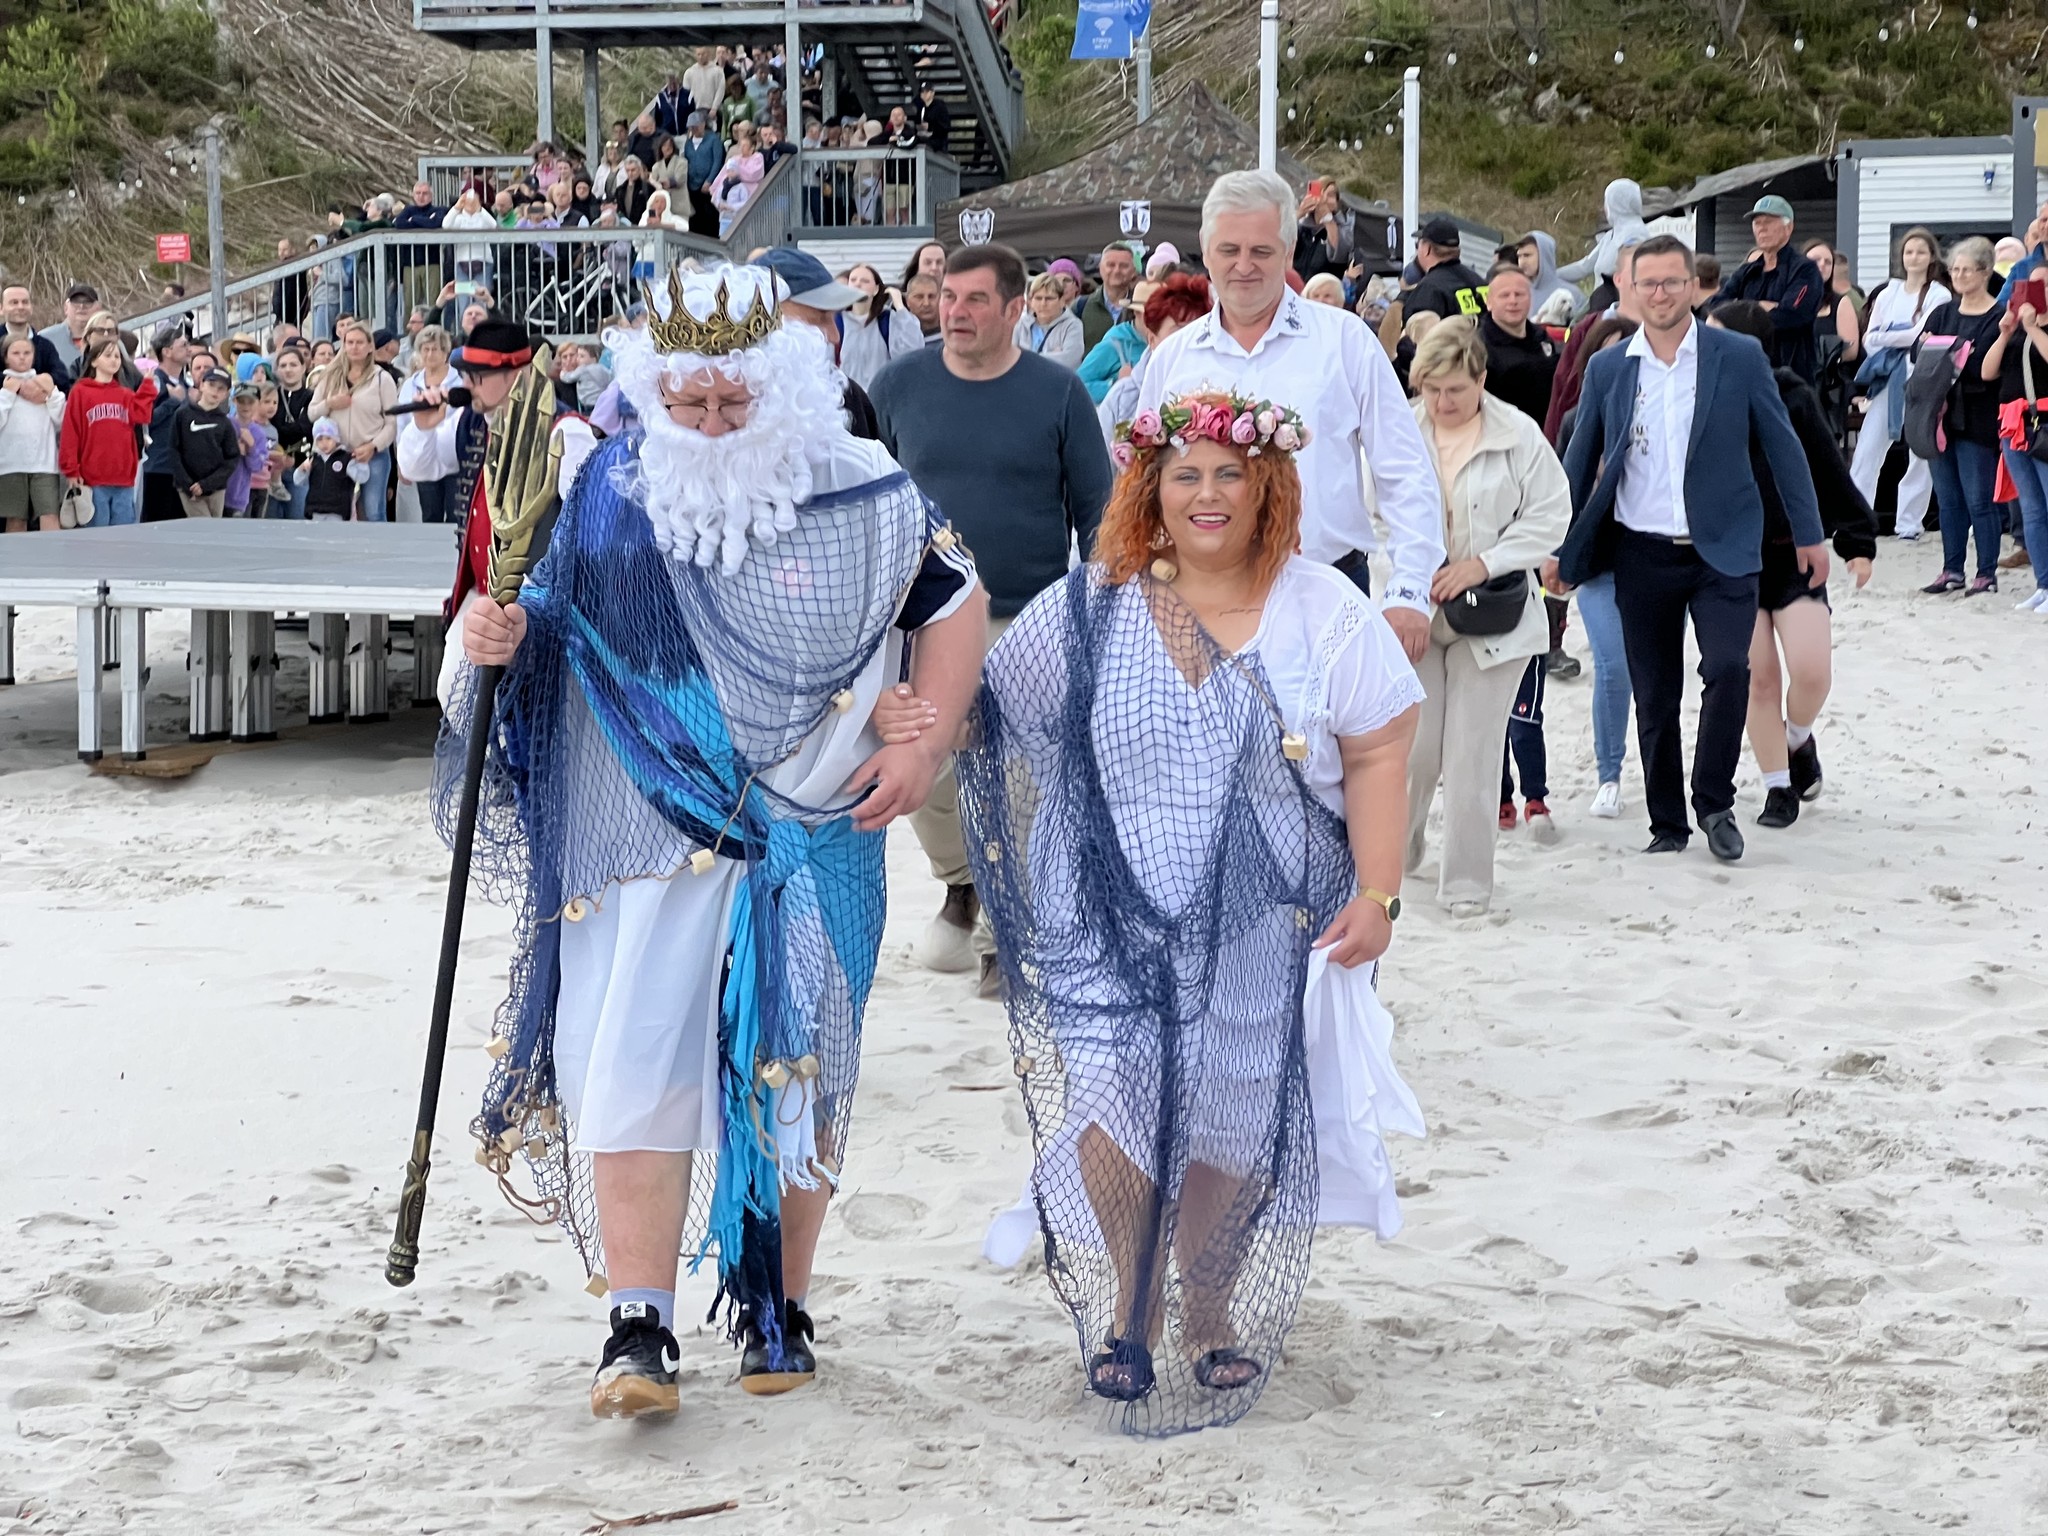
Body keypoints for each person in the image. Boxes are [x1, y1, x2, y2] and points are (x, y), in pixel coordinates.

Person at [446, 270, 986, 1417]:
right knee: (638, 1061)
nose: (707, 425)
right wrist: (496, 632)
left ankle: (778, 1306)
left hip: (816, 826)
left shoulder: (864, 484)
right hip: (649, 825)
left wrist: (924, 744)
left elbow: (952, 602)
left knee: (800, 1069)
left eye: (732, 403)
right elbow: (551, 623)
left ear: (779, 388)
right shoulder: (606, 491)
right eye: (685, 404)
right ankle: (636, 1325)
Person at [949, 386, 1424, 1435]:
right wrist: (911, 703)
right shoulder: (1089, 605)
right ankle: (1129, 1304)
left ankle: (1207, 1304)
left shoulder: (1323, 610)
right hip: (1098, 908)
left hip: (1262, 919)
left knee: (1233, 1112)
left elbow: (1380, 748)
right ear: (1150, 491)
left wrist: (1378, 893)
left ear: (1268, 486)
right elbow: (985, 712)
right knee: (1108, 1095)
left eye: (1229, 474)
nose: (1207, 494)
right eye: (1184, 475)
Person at [867, 242, 1114, 992]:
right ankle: (963, 880)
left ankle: (1005, 938)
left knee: (1018, 784)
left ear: (1015, 310)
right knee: (924, 770)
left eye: (975, 300)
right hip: (917, 620)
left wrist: (1099, 608)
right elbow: (864, 495)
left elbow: (1097, 511)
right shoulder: (898, 385)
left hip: (1025, 619)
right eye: (948, 297)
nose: (956, 312)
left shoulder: (1058, 392)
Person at [1551, 235, 1828, 863]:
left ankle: (1714, 803)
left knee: (1730, 669)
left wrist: (1810, 533)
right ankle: (1667, 823)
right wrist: (1560, 547)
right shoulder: (1609, 368)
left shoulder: (1738, 356)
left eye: (1673, 281)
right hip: (1641, 551)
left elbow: (1783, 445)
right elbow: (1579, 459)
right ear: (1630, 288)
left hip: (1723, 546)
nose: (1660, 294)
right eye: (1648, 283)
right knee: (1654, 693)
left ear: (1693, 287)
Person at [1137, 170, 1445, 662]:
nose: (1243, 266)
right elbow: (1144, 483)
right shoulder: (1172, 359)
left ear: (1288, 250)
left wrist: (1409, 589)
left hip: (1328, 590)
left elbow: (1405, 469)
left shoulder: (1346, 341)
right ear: (1205, 249)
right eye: (1229, 250)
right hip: (1201, 599)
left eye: (1261, 251)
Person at [1399, 321, 1571, 914]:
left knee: (1472, 752)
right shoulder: (1401, 430)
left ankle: (1467, 884)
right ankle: (1399, 853)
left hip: (1496, 613)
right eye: (1431, 389)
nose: (1442, 402)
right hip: (1417, 609)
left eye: (1455, 390)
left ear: (1481, 380)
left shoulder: (1517, 433)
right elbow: (1373, 511)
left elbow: (1552, 514)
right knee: (1417, 747)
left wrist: (1483, 563)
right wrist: (1411, 568)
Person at [1705, 300, 1877, 828]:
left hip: (1790, 553)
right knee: (1758, 680)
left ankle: (1798, 739)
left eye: (1714, 335)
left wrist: (1857, 540)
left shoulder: (1792, 396)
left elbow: (1827, 467)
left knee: (1812, 672)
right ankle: (1777, 787)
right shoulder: (1694, 398)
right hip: (1729, 560)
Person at [1555, 314, 1640, 818]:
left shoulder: (1663, 418)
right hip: (1599, 561)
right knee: (1614, 666)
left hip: (1659, 559)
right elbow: (1563, 493)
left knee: (1657, 673)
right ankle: (1609, 773)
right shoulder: (1577, 422)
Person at [1917, 237, 2005, 595]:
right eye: (1955, 269)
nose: (1959, 275)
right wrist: (1952, 352)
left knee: (1979, 499)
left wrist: (1945, 351)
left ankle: (1986, 573)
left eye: (1967, 269)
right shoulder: (1943, 313)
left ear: (1985, 272)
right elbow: (1919, 354)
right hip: (1939, 414)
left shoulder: (1998, 316)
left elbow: (1982, 367)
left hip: (1978, 416)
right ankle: (1952, 570)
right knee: (1948, 499)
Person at [1849, 227, 1947, 542]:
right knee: (1868, 448)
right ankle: (1857, 518)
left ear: (1931, 257)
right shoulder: (1888, 293)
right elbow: (1869, 338)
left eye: (1920, 251)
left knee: (1920, 450)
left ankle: (1909, 522)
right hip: (1887, 377)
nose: (1914, 257)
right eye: (1909, 251)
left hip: (1923, 375)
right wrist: (1899, 334)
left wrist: (1890, 334)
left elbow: (1922, 335)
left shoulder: (1938, 295)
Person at [1711, 195, 1824, 382]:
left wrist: (1740, 311)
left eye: (1769, 222)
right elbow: (1716, 305)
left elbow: (1792, 316)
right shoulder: (1748, 271)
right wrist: (1758, 306)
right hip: (1746, 370)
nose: (1761, 228)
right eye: (1757, 223)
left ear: (1788, 228)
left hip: (1790, 375)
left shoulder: (1805, 270)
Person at [1984, 289, 2048, 613]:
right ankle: (2043, 584)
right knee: (2032, 509)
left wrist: (2034, 327)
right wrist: (2006, 333)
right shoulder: (2018, 332)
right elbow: (1987, 371)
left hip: (2043, 423)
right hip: (2013, 426)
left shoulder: (2036, 330)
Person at [312, 322, 398, 523]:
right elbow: (312, 413)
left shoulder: (382, 379)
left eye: (360, 342)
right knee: (337, 512)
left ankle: (377, 545)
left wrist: (373, 446)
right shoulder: (330, 377)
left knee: (373, 512)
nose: (354, 347)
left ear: (370, 346)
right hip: (336, 456)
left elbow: (392, 423)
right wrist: (330, 404)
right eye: (349, 342)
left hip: (373, 455)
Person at [1478, 263, 1558, 425]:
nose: (1513, 301)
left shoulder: (1542, 338)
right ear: (1489, 301)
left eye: (1519, 294)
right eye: (1504, 295)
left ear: (1530, 299)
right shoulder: (1478, 348)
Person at [0, 334, 63, 532]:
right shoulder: (4, 388)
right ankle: (15, 554)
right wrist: (7, 394)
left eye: (27, 352)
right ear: (6, 357)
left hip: (45, 464)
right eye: (16, 353)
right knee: (15, 519)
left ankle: (52, 552)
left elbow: (61, 420)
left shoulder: (43, 383)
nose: (22, 357)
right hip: (11, 465)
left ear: (34, 356)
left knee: (50, 515)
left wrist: (52, 394)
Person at [835, 263, 921, 390]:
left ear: (876, 289)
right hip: (846, 397)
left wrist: (900, 307)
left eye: (865, 281)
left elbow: (912, 353)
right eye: (853, 280)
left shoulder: (887, 320)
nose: (858, 284)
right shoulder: (837, 321)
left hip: (880, 396)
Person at [1557, 178, 1648, 298]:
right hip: (1600, 302)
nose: (1604, 207)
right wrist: (1549, 276)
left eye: (1607, 201)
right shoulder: (1610, 236)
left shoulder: (1636, 235)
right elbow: (1584, 267)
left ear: (1616, 204)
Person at [140, 327, 194, 523]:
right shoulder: (154, 381)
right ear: (167, 351)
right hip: (158, 467)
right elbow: (144, 420)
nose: (189, 349)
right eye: (183, 345)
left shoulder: (186, 385)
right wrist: (172, 402)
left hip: (181, 470)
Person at [169, 367, 239, 518]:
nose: (215, 391)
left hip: (216, 489)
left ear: (226, 394)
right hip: (189, 488)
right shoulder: (182, 415)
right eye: (211, 385)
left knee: (215, 529)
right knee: (202, 525)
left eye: (221, 388)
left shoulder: (225, 423)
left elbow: (232, 458)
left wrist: (208, 484)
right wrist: (187, 484)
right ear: (201, 385)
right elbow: (173, 450)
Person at [1402, 217, 1484, 321]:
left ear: (1427, 249)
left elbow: (1418, 329)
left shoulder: (1429, 289)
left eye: (1417, 245)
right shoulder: (1479, 281)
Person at [271, 346, 315, 520]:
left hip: (300, 468)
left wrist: (282, 430)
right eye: (283, 365)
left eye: (293, 364)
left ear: (303, 367)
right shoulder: (270, 395)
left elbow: (306, 429)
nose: (288, 369)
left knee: (298, 520)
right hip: (272, 470)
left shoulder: (312, 397)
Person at [1074, 243, 1140, 350]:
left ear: (1133, 271)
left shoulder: (1143, 306)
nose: (1117, 270)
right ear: (1100, 268)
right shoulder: (1080, 306)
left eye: (1124, 266)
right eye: (1111, 265)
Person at [1014, 271, 1086, 368]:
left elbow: (1070, 360)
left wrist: (1025, 358)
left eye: (1049, 298)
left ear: (1062, 301)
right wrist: (1052, 355)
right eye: (1038, 298)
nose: (1043, 304)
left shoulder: (1073, 325)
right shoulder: (1020, 323)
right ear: (1030, 301)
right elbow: (1009, 358)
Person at [2, 285, 72, 384]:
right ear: (1, 308)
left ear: (31, 307)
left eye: (25, 302)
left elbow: (62, 377)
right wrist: (16, 384)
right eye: (14, 302)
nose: (20, 307)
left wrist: (43, 382)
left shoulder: (45, 345)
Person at [297, 418, 363, 521]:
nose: (324, 443)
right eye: (320, 439)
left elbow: (362, 477)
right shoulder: (314, 459)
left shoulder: (345, 458)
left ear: (336, 439)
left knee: (334, 531)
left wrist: (360, 463)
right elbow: (298, 481)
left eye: (328, 438)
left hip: (337, 511)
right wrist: (302, 469)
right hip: (315, 510)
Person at [1293, 180, 1356, 282]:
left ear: (1337, 202)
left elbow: (1339, 254)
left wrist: (1327, 219)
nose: (1324, 199)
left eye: (1330, 195)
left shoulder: (1345, 229)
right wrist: (1300, 213)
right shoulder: (1302, 227)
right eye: (1320, 194)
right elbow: (1279, 239)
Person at [1514, 231, 1582, 322]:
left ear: (1544, 256)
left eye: (1527, 255)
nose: (1522, 262)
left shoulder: (1572, 294)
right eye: (1519, 256)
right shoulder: (1513, 292)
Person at [38, 283, 96, 379]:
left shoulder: (108, 338)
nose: (81, 306)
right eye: (75, 302)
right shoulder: (45, 339)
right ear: (66, 308)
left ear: (98, 308)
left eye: (88, 302)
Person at [902, 273, 942, 345]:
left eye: (931, 296)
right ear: (907, 300)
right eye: (919, 297)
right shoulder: (897, 335)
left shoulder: (952, 335)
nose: (926, 303)